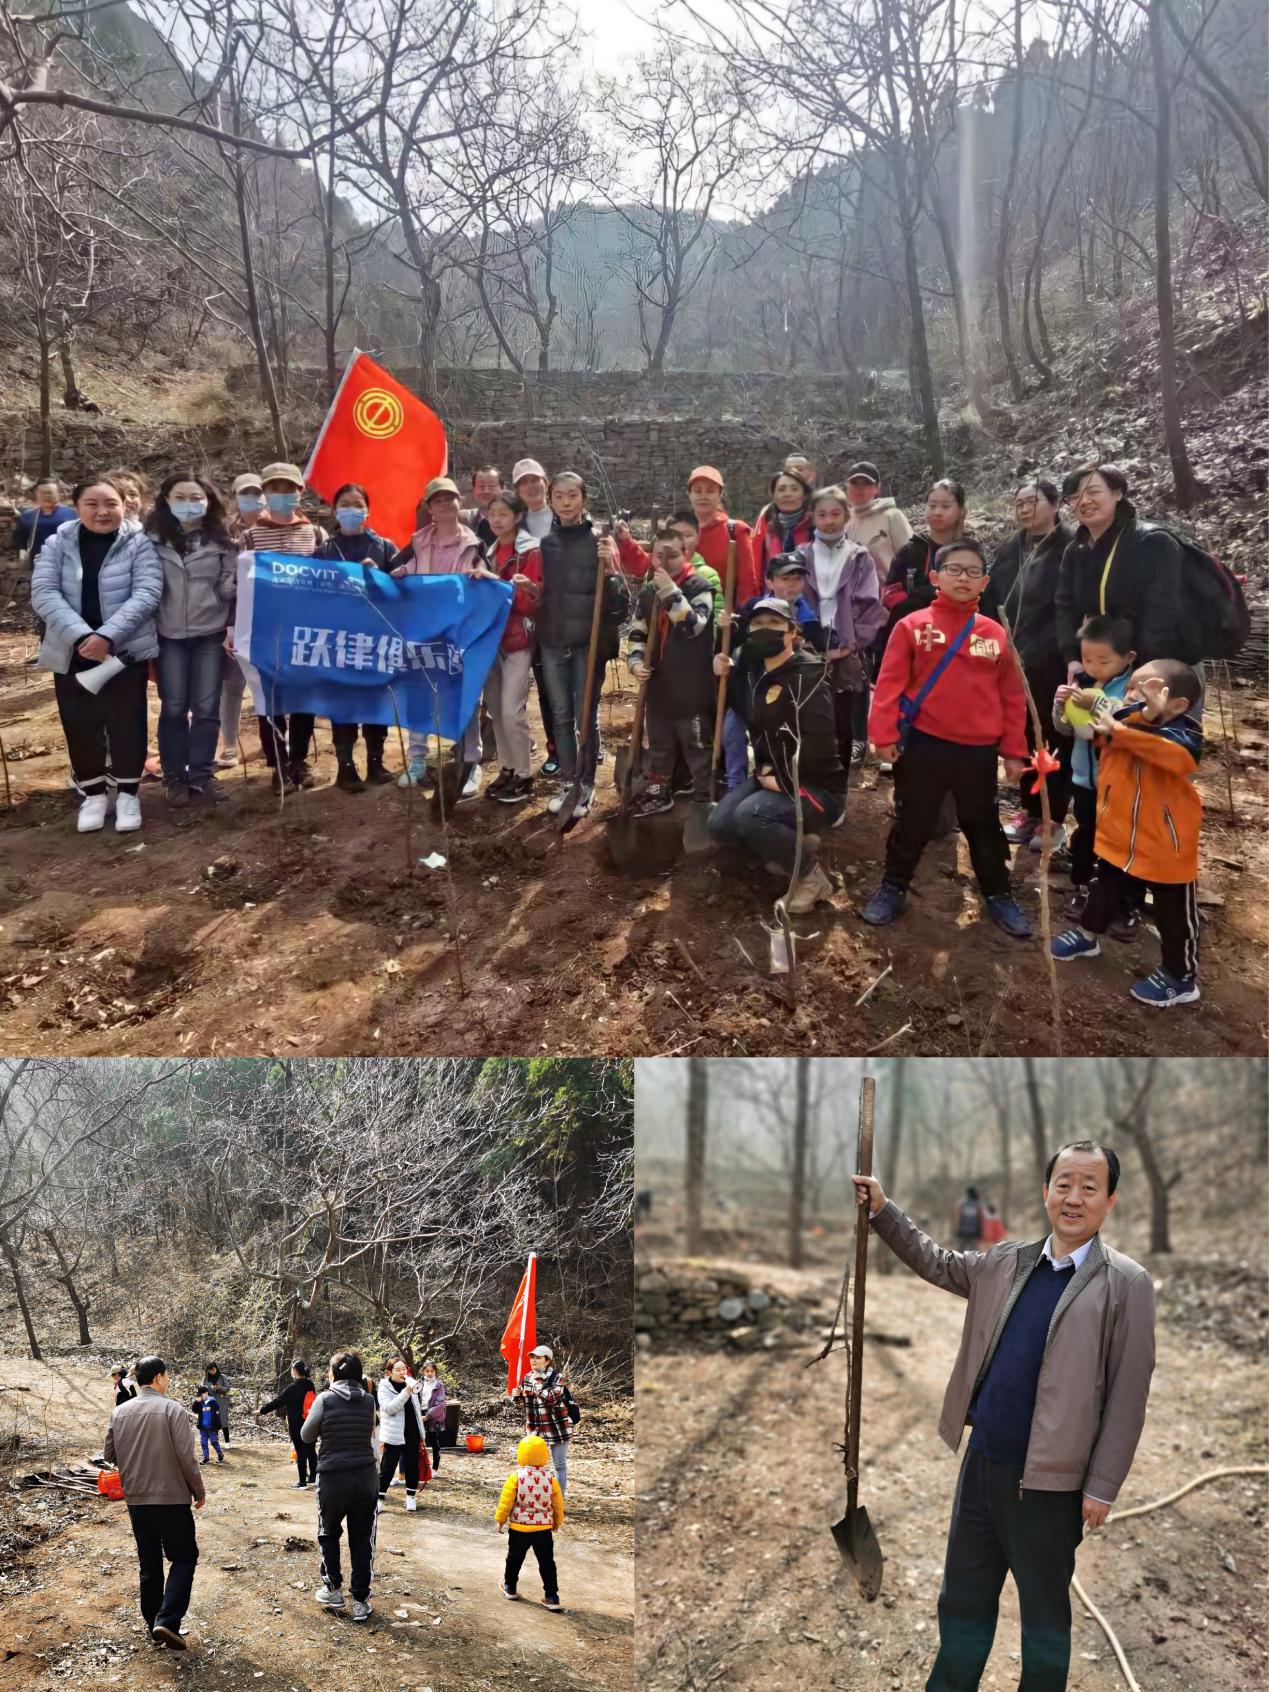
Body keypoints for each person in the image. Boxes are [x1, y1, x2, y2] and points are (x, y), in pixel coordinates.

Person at [852, 1141, 1155, 1692]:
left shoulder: (1126, 1284)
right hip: (983, 1464)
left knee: (1042, 1623)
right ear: (1045, 1193)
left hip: (1048, 1487)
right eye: (1063, 1183)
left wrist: (1103, 1485)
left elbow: (1130, 1394)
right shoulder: (1007, 1261)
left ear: (1110, 1200)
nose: (1074, 1197)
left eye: (1089, 1186)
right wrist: (883, 1211)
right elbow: (937, 1262)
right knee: (962, 1603)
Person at [862, 539, 1032, 938]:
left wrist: (1013, 752)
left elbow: (1012, 697)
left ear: (985, 582)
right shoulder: (912, 626)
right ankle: (893, 887)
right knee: (913, 820)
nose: (963, 578)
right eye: (954, 569)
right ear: (936, 577)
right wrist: (882, 735)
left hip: (977, 751)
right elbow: (888, 685)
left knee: (982, 823)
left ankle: (997, 893)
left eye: (973, 571)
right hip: (924, 744)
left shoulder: (994, 633)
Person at [1051, 659, 1204, 1006]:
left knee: (1174, 912)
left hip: (1166, 843)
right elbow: (1091, 728)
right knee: (1104, 888)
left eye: (1143, 689)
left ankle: (1180, 976)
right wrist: (1071, 701)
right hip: (1118, 833)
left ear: (1177, 704)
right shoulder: (1121, 721)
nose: (1131, 694)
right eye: (1131, 687)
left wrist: (1129, 729)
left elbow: (1177, 757)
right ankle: (1089, 935)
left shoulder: (1185, 732)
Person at [31, 475, 163, 835]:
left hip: (124, 651)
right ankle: (93, 794)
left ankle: (128, 794)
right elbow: (43, 592)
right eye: (92, 504)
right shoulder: (58, 542)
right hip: (71, 651)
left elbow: (147, 593)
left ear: (124, 505)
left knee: (127, 723)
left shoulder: (141, 544)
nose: (102, 512)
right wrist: (82, 636)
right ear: (78, 507)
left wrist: (107, 635)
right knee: (79, 724)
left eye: (111, 504)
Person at [709, 596, 845, 912]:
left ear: (792, 632)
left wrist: (783, 779)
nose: (764, 630)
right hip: (770, 775)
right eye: (757, 624)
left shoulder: (808, 675)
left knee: (750, 815)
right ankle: (790, 843)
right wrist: (724, 675)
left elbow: (820, 746)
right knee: (720, 824)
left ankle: (811, 878)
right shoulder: (756, 673)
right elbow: (744, 710)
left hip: (815, 786)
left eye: (774, 624)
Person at [991, 481, 1077, 853]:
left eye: (1033, 501)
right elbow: (994, 595)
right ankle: (1028, 809)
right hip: (1013, 656)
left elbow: (1070, 605)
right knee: (1022, 733)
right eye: (1020, 503)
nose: (1025, 509)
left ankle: (1052, 816)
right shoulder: (1013, 546)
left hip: (1052, 658)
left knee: (1054, 739)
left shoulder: (1070, 547)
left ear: (1056, 504)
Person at [537, 471, 628, 821]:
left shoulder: (599, 542)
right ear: (551, 501)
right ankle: (567, 780)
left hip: (585, 645)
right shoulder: (546, 544)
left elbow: (619, 603)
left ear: (583, 499)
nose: (565, 502)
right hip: (553, 641)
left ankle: (586, 784)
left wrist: (612, 572)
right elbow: (544, 592)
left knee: (583, 717)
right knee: (560, 716)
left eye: (572, 495)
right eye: (558, 496)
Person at [390, 474, 488, 796]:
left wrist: (483, 575)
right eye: (437, 500)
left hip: (459, 634)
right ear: (429, 508)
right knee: (420, 695)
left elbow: (489, 582)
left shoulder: (474, 544)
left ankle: (470, 763)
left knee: (466, 699)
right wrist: (398, 576)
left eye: (449, 498)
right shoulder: (418, 542)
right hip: (424, 631)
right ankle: (418, 760)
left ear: (460, 502)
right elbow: (399, 571)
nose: (444, 504)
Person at [146, 472, 237, 810]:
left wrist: (249, 579)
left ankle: (201, 776)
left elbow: (228, 587)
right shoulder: (150, 541)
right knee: (172, 707)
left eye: (196, 497)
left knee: (206, 708)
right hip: (168, 637)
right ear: (166, 501)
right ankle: (174, 778)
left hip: (208, 635)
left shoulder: (223, 542)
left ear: (208, 501)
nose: (189, 504)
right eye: (180, 497)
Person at [103, 1354, 206, 1651]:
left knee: (149, 1564)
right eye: (167, 1376)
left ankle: (153, 1626)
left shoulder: (120, 1412)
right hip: (172, 1498)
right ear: (159, 1377)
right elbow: (187, 1458)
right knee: (184, 1557)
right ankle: (168, 1620)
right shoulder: (172, 1410)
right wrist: (198, 1491)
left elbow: (109, 1454)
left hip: (137, 1500)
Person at [241, 462, 327, 794]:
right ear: (265, 493)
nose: (282, 495)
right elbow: (242, 586)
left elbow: (330, 579)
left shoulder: (316, 534)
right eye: (274, 489)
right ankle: (277, 763)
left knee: (304, 700)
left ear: (300, 493)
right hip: (266, 631)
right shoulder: (250, 536)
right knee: (270, 700)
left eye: (288, 489)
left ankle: (299, 760)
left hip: (307, 632)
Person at [309, 483, 396, 792]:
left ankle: (376, 761)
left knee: (376, 699)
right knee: (342, 702)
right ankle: (345, 767)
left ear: (367, 510)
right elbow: (313, 597)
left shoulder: (385, 547)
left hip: (375, 639)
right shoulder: (323, 551)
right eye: (344, 504)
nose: (351, 510)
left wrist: (380, 578)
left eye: (357, 504)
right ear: (335, 511)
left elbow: (402, 592)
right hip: (339, 640)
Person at [1054, 462, 1184, 670]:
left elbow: (1162, 612)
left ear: (1117, 493)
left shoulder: (1151, 542)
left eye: (1093, 491)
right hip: (1105, 667)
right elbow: (1065, 607)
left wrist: (1145, 669)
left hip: (1162, 667)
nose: (1084, 501)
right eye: (1074, 497)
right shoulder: (1075, 551)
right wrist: (1073, 658)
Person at [792, 484, 884, 774]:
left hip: (846, 643)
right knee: (807, 715)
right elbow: (790, 597)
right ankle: (808, 780)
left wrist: (850, 642)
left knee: (842, 720)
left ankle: (839, 785)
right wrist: (800, 638)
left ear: (846, 516)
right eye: (822, 514)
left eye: (835, 513)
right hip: (807, 643)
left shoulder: (860, 556)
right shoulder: (801, 555)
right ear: (813, 517)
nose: (829, 520)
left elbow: (871, 604)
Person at [1051, 614, 1138, 919]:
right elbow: (1066, 729)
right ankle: (1081, 887)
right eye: (1087, 659)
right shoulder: (1082, 681)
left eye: (1103, 660)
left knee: (1119, 841)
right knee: (1087, 832)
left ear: (1128, 657)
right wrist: (1061, 706)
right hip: (1084, 779)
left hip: (1119, 784)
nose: (1093, 667)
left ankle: (1125, 902)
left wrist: (1097, 706)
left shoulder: (1134, 689)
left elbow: (1124, 725)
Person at [627, 527, 716, 815]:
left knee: (697, 748)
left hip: (691, 689)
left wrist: (669, 590)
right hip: (659, 687)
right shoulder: (647, 591)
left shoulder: (701, 587)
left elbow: (692, 625)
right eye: (659, 555)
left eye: (673, 555)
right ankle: (659, 793)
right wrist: (636, 662)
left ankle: (705, 799)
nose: (666, 561)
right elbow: (637, 632)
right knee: (660, 747)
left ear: (686, 554)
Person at [721, 553, 826, 791]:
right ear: (769, 581)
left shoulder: (808, 618)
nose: (792, 585)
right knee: (732, 731)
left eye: (797, 578)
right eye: (785, 578)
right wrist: (728, 629)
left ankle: (782, 780)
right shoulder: (751, 609)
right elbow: (733, 642)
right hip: (748, 687)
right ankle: (734, 783)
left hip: (784, 694)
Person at [300, 1350, 379, 1623]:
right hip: (366, 1477)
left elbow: (306, 1435)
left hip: (333, 1477)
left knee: (329, 1533)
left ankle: (333, 1589)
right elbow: (370, 1431)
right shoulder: (369, 1400)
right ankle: (360, 1601)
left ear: (333, 1374)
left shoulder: (324, 1399)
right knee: (362, 1539)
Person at [482, 487, 542, 805]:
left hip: (518, 640)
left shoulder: (530, 552)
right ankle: (507, 768)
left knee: (511, 711)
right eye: (492, 514)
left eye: (503, 513)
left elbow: (526, 602)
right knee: (495, 712)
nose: (496, 519)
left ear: (518, 517)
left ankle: (523, 775)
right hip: (493, 641)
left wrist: (493, 584)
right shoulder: (490, 553)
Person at [512, 457, 559, 776]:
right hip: (520, 617)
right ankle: (519, 747)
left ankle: (563, 747)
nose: (531, 486)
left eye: (535, 479)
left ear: (546, 482)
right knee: (517, 689)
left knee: (554, 687)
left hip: (557, 616)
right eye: (523, 482)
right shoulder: (512, 522)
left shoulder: (565, 517)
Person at [495, 1433, 565, 1612]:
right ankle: (552, 1596)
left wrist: (500, 1521)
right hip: (543, 1530)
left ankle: (510, 1586)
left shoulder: (516, 1477)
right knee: (547, 1562)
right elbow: (557, 1504)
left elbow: (506, 1502)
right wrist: (557, 1522)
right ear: (544, 1456)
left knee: (514, 1559)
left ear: (521, 1454)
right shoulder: (551, 1479)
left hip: (520, 1528)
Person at [684, 465, 758, 606]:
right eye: (697, 491)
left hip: (725, 616)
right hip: (683, 613)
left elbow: (748, 582)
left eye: (710, 491)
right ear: (689, 494)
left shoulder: (736, 530)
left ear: (720, 494)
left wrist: (743, 616)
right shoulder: (678, 530)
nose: (703, 496)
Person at [511, 1345, 574, 1496]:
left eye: (538, 1357)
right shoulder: (526, 1377)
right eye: (532, 1357)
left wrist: (538, 1381)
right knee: (531, 1465)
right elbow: (524, 1405)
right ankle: (534, 1498)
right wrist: (517, 1396)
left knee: (559, 1466)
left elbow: (550, 1398)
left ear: (547, 1361)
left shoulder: (557, 1377)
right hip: (534, 1429)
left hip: (557, 1427)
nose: (533, 1360)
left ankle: (558, 1501)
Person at [844, 461, 915, 591]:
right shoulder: (844, 520)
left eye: (866, 483)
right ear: (847, 487)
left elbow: (912, 560)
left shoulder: (892, 516)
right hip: (851, 599)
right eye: (854, 483)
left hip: (887, 599)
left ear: (877, 488)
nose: (859, 488)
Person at [376, 1356, 431, 1512]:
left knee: (412, 1465)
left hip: (412, 1431)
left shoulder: (410, 1383)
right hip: (394, 1433)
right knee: (388, 1466)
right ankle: (379, 1499)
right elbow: (388, 1408)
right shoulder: (384, 1387)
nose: (402, 1372)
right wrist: (406, 1392)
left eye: (403, 1369)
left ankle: (411, 1497)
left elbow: (416, 1409)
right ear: (389, 1372)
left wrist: (422, 1433)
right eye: (397, 1369)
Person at [259, 1359, 318, 1489]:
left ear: (295, 1371)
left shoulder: (293, 1387)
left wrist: (262, 1411)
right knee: (311, 1450)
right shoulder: (310, 1385)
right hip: (311, 1422)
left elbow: (278, 1401)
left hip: (297, 1424)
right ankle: (313, 1477)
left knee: (300, 1451)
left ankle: (302, 1482)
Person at [751, 468, 814, 570]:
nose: (787, 494)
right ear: (773, 496)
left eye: (794, 489)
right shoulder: (767, 525)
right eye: (781, 490)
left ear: (804, 495)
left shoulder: (815, 524)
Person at [11, 477, 75, 561]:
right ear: (36, 494)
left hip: (66, 561)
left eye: (50, 492)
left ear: (58, 494)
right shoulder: (28, 516)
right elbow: (21, 538)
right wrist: (22, 551)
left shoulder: (72, 514)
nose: (46, 496)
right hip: (37, 561)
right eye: (42, 493)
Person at [461, 463, 502, 547]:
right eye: (481, 486)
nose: (486, 491)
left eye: (491, 486)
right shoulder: (463, 519)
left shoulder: (516, 520)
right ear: (473, 489)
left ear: (502, 488)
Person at [419, 1360, 447, 1474]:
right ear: (423, 1371)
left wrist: (428, 1415)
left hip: (433, 1415)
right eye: (427, 1371)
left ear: (435, 1372)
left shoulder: (439, 1385)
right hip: (420, 1413)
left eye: (432, 1371)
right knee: (418, 1441)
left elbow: (440, 1403)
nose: (429, 1373)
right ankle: (420, 1467)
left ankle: (435, 1468)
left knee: (434, 1441)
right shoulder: (419, 1383)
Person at [198, 1363, 231, 1445]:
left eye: (213, 1370)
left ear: (216, 1368)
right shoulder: (206, 1379)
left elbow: (227, 1388)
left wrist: (220, 1388)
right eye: (210, 1370)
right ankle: (216, 1441)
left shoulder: (222, 1377)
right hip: (211, 1402)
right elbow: (202, 1390)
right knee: (214, 1421)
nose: (212, 1372)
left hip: (222, 1401)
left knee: (224, 1421)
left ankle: (227, 1442)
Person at [191, 1390, 225, 1466]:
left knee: (214, 1442)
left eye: (201, 1395)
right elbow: (194, 1410)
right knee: (203, 1443)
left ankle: (220, 1454)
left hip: (212, 1427)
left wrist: (217, 1426)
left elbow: (217, 1415)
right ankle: (206, 1458)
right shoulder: (200, 1403)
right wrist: (196, 1402)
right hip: (203, 1427)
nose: (200, 1397)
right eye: (199, 1395)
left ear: (206, 1393)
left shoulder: (213, 1401)